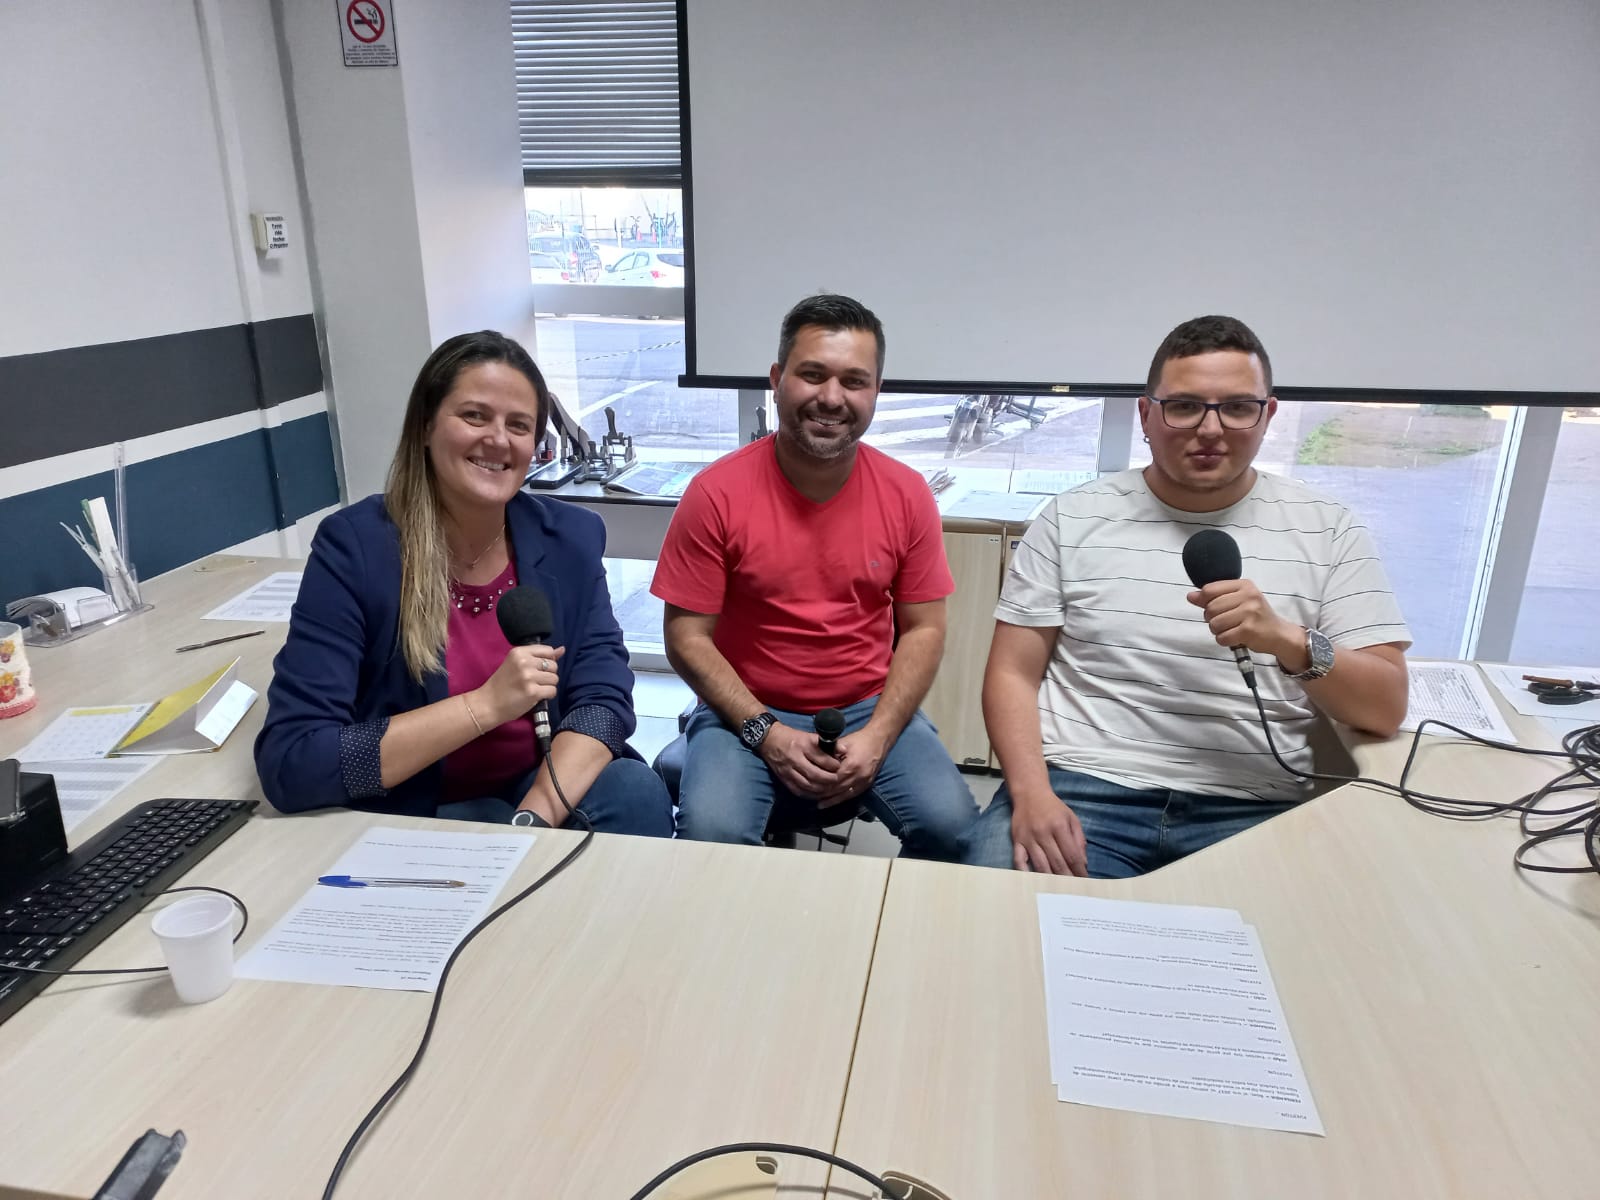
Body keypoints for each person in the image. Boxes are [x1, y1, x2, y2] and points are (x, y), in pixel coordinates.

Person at [966, 315, 1411, 877]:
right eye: (1184, 406)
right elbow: (1012, 674)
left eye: (1238, 407)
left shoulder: (1328, 528)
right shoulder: (1073, 517)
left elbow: (1384, 707)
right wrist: (1030, 794)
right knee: (995, 913)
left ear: (1268, 415)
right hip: (1081, 789)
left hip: (1251, 804)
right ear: (1146, 414)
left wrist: (1287, 640)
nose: (1210, 429)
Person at [255, 331, 672, 835]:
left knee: (635, 793)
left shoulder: (569, 537)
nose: (498, 440)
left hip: (534, 793)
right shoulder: (357, 549)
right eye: (475, 416)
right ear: (426, 426)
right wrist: (486, 705)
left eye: (519, 425)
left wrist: (533, 819)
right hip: (415, 807)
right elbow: (294, 763)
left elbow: (603, 700)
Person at [650, 294, 978, 859]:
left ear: (876, 391)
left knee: (956, 832)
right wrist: (766, 733)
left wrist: (877, 737)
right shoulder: (715, 494)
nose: (831, 397)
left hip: (866, 706)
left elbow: (924, 628)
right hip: (744, 710)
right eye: (812, 374)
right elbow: (686, 636)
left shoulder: (907, 494)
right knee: (712, 841)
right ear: (777, 380)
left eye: (854, 381)